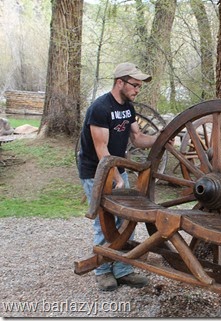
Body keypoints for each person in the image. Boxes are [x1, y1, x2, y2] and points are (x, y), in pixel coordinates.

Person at [78, 62, 158, 291]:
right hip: (96, 170)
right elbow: (102, 150)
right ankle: (103, 271)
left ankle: (122, 269)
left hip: (116, 168)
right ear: (119, 82)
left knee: (125, 219)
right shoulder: (100, 108)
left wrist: (160, 138)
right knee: (104, 221)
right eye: (134, 85)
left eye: (139, 86)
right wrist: (117, 178)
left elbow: (138, 138)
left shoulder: (128, 108)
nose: (137, 90)